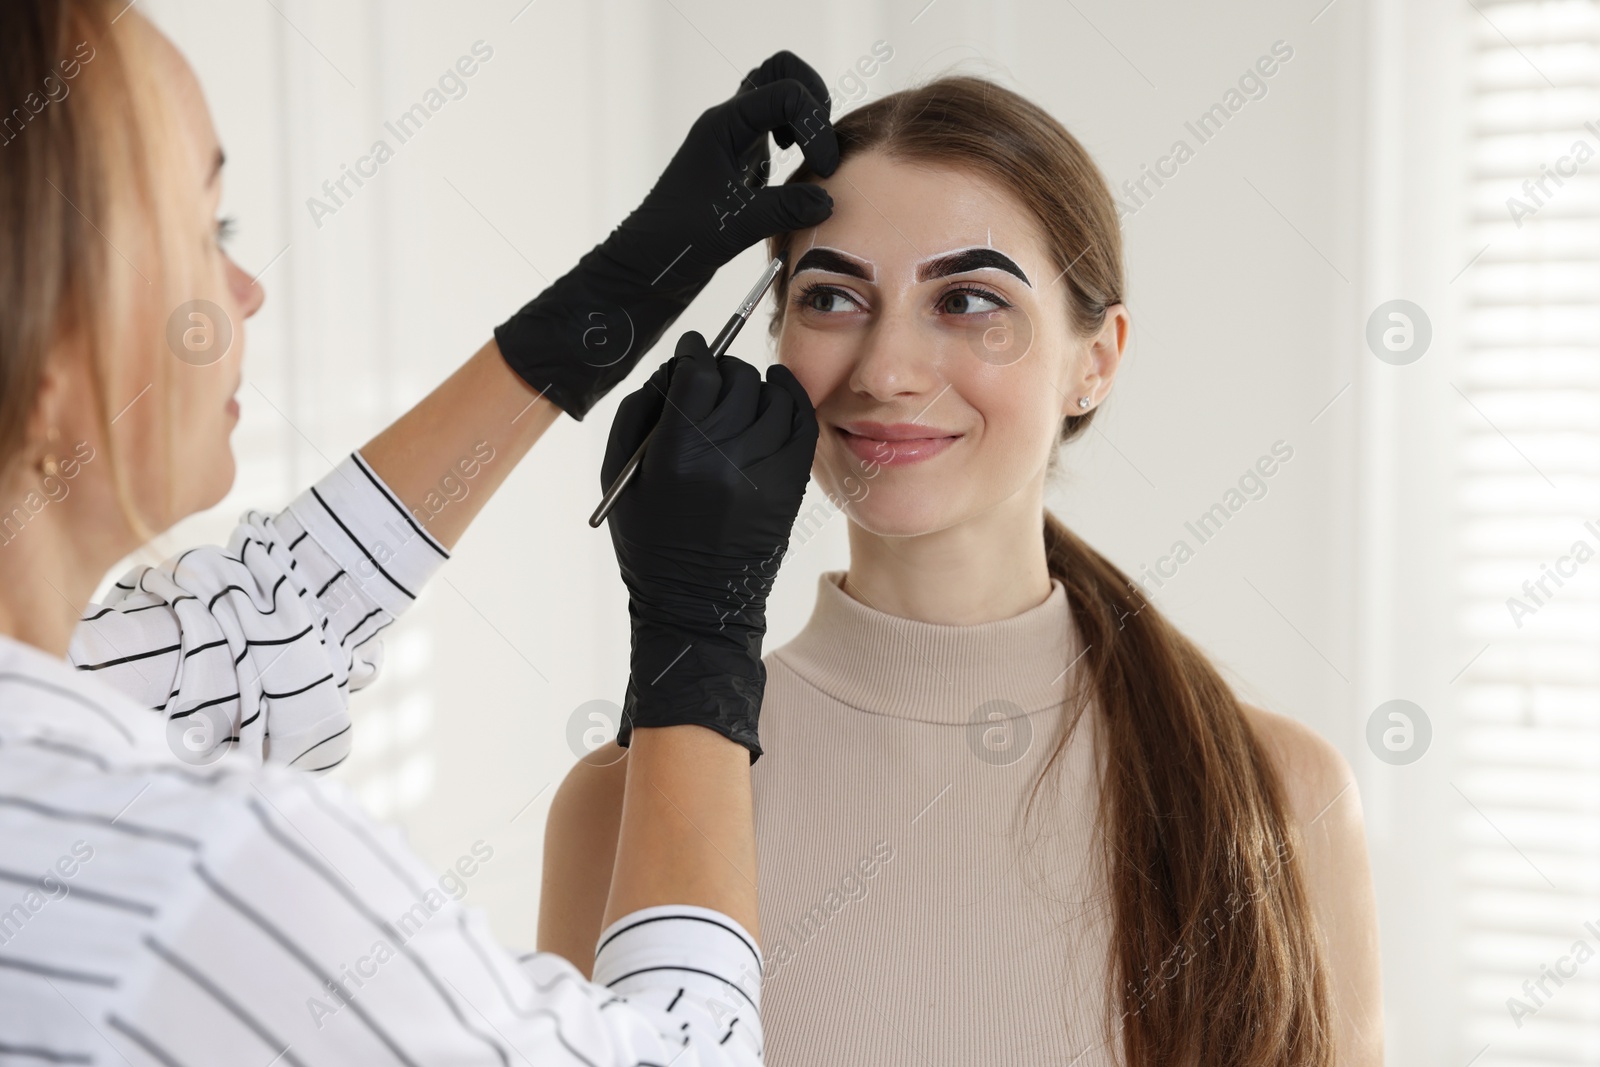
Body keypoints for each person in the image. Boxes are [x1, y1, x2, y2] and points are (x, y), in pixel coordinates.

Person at [0, 1, 826, 1062]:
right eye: (208, 233)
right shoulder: (194, 875)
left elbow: (252, 633)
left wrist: (595, 313)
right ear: (44, 339)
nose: (244, 291)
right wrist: (702, 636)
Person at [539, 77, 1386, 1066]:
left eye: (969, 299)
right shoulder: (625, 799)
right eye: (833, 296)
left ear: (1095, 359)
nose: (887, 368)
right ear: (772, 340)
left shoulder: (1278, 793)